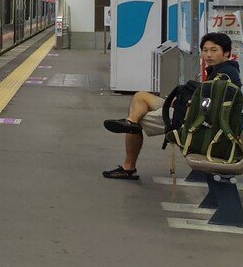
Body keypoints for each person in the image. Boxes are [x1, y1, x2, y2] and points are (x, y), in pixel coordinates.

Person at [100, 32, 242, 180]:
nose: (208, 55)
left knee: (139, 120)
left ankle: (128, 165)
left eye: (214, 50)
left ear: (227, 53)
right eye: (205, 50)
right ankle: (131, 122)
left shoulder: (226, 76)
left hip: (191, 119)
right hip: (186, 108)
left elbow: (212, 111)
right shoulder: (219, 70)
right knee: (141, 97)